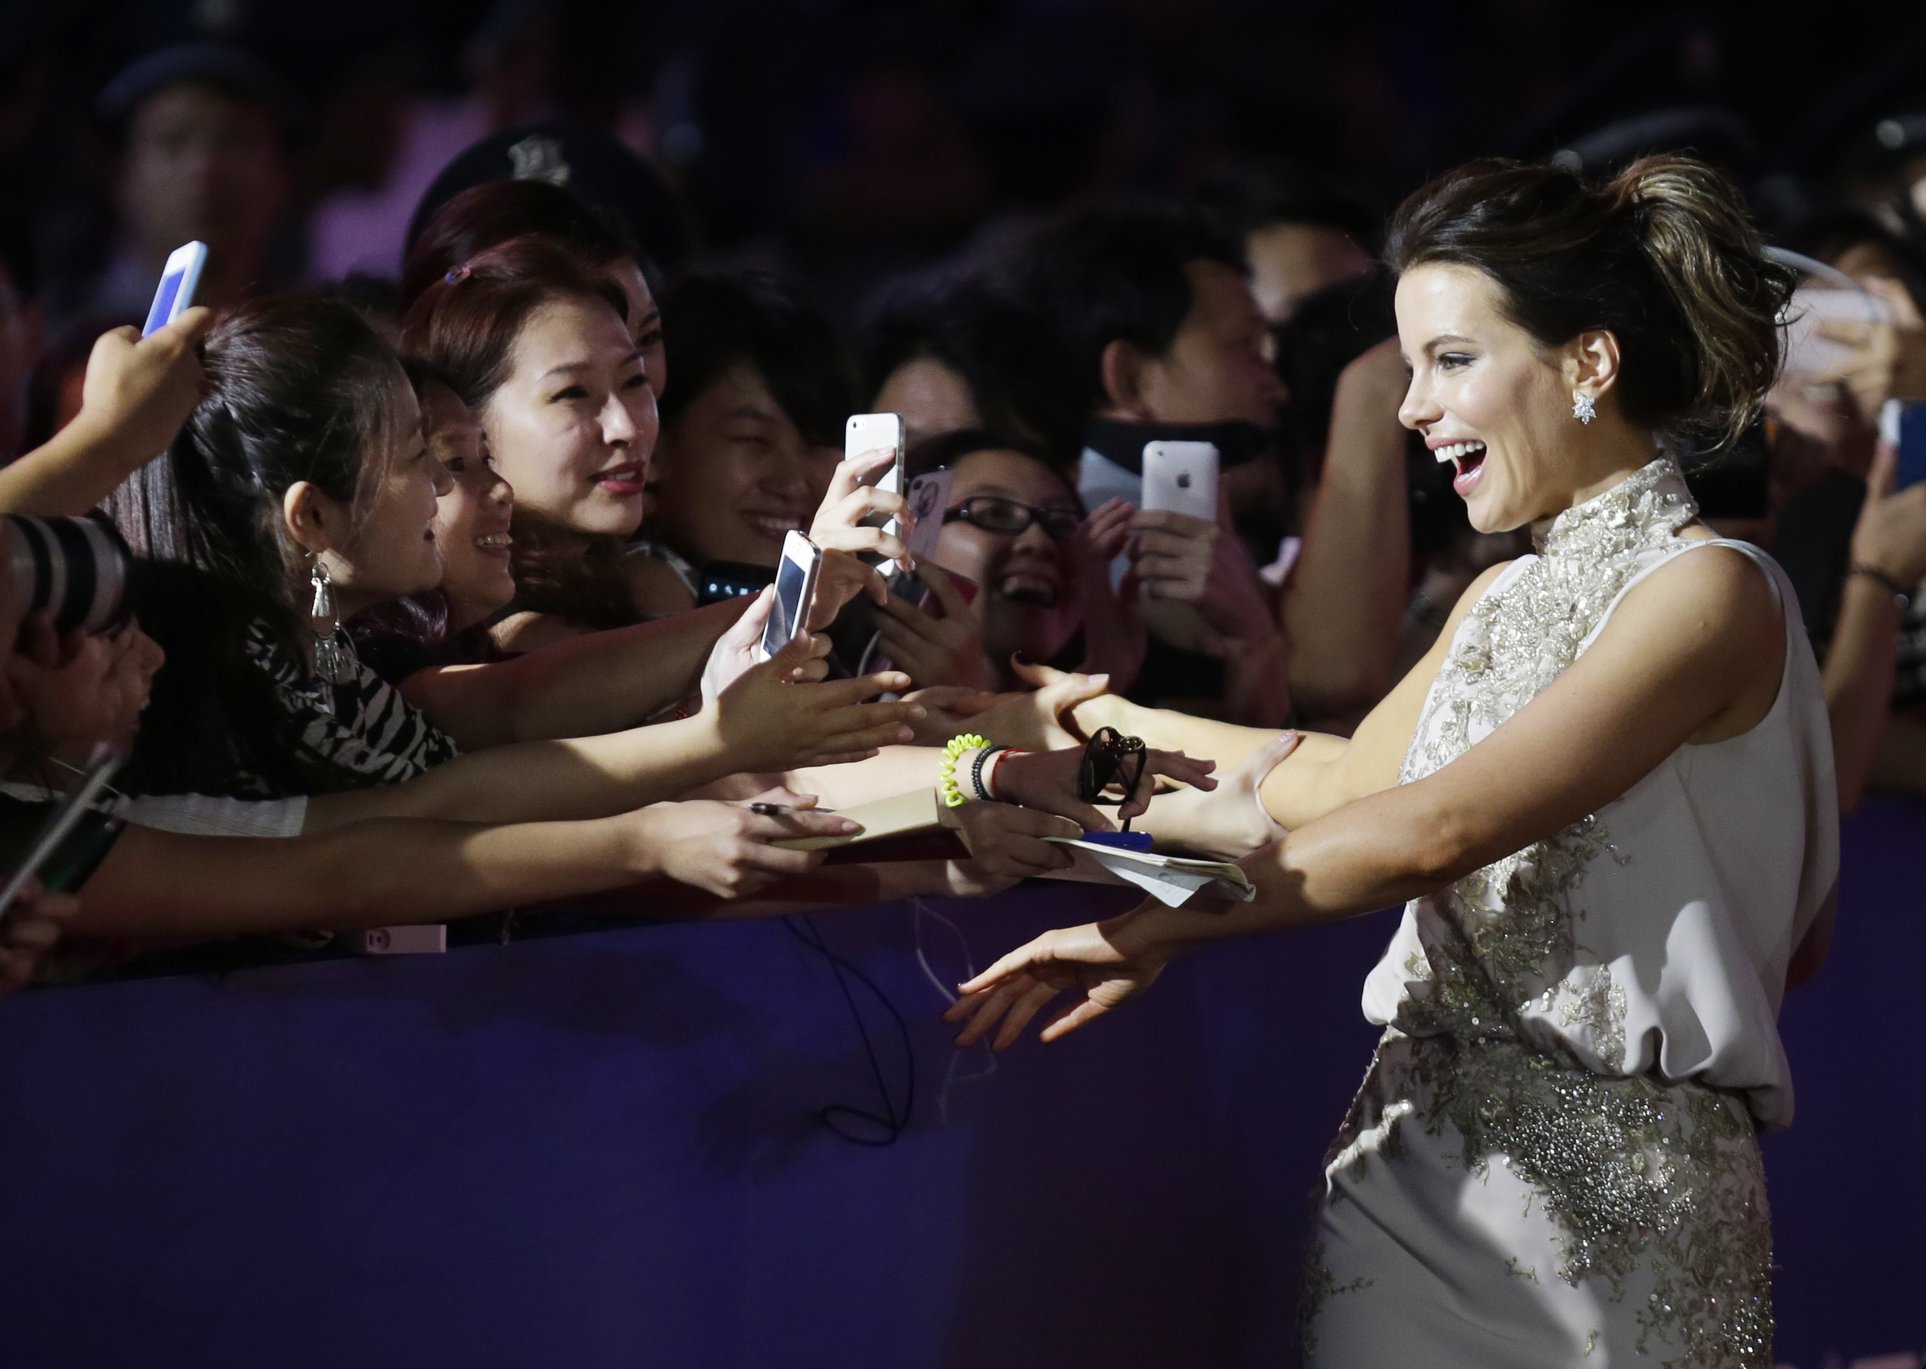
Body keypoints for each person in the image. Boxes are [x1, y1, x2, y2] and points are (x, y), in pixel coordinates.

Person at [947, 155, 1837, 1365]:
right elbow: (1320, 787)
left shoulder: (1713, 591)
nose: (1414, 407)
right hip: (1408, 1171)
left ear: (1588, 362)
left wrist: (1156, 925)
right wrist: (1064, 725)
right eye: (1410, 368)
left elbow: (1434, 831)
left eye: (1451, 361)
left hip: (1632, 1208)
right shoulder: (1499, 598)